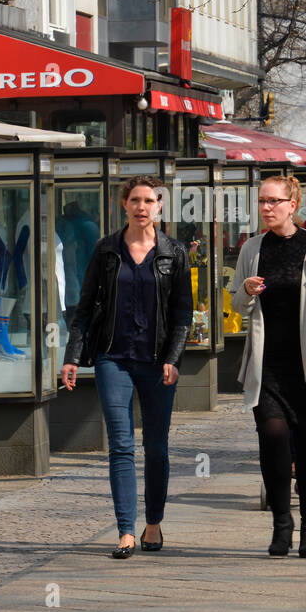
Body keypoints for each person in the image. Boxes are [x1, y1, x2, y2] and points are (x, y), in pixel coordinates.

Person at [61, 176, 193, 558]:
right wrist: (72, 356)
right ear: (124, 204)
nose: (142, 207)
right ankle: (125, 531)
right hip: (112, 357)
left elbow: (183, 314)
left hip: (156, 363)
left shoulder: (174, 253)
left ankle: (152, 523)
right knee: (120, 445)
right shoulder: (106, 251)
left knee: (156, 447)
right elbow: (84, 308)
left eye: (149, 200)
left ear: (159, 206)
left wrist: (173, 358)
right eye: (135, 200)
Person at [229, 176, 306, 559]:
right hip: (266, 364)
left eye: (274, 201)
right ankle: (281, 525)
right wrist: (247, 293)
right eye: (262, 202)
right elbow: (236, 305)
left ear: (292, 203)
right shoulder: (252, 248)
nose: (266, 208)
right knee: (272, 439)